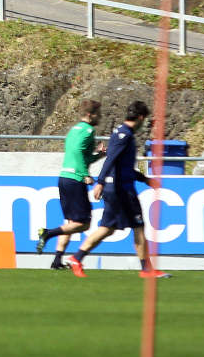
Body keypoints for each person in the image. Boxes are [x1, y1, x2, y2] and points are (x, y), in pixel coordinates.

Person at [67, 100, 169, 279]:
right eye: (144, 121)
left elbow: (124, 167)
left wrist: (145, 179)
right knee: (138, 226)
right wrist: (99, 182)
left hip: (117, 188)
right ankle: (146, 269)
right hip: (121, 190)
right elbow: (110, 159)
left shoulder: (122, 133)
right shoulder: (125, 135)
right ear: (140, 117)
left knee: (108, 228)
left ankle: (77, 258)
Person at [35, 100, 106, 269]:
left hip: (64, 177)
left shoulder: (74, 130)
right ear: (90, 115)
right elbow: (76, 153)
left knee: (70, 222)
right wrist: (85, 175)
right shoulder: (89, 130)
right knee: (84, 224)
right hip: (75, 179)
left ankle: (57, 260)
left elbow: (81, 155)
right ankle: (48, 233)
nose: (100, 117)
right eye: (98, 114)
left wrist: (99, 155)